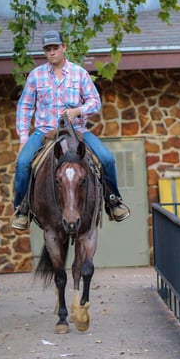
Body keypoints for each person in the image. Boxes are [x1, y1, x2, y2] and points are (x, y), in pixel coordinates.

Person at [11, 29, 131, 231]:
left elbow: (95, 102)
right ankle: (22, 209)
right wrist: (24, 138)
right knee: (23, 163)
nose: (52, 52)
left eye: (55, 48)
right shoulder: (35, 76)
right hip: (44, 131)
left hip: (77, 130)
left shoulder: (80, 73)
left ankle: (113, 201)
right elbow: (25, 107)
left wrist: (79, 110)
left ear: (63, 48)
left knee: (107, 158)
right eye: (48, 49)